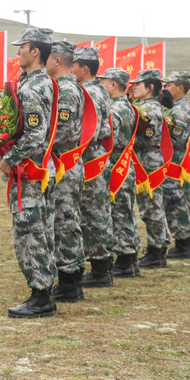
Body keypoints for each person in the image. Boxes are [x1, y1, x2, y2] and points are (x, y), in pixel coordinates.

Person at [0, 28, 58, 319]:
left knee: (30, 232)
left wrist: (9, 157)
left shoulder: (34, 87)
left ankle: (41, 297)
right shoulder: (39, 82)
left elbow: (35, 135)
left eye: (22, 47)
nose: (18, 52)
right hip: (37, 169)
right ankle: (43, 292)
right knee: (37, 230)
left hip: (31, 170)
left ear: (35, 52)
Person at [46, 40, 88, 304]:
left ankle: (70, 282)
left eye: (48, 59)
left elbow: (64, 132)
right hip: (64, 162)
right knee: (64, 220)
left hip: (65, 163)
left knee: (65, 222)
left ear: (57, 60)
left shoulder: (67, 90)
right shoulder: (63, 87)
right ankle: (71, 278)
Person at [73, 47, 115, 288]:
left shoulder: (89, 93)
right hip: (96, 154)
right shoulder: (98, 90)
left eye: (74, 66)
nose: (71, 69)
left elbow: (90, 130)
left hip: (90, 157)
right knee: (97, 211)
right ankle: (102, 266)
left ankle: (100, 269)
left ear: (84, 68)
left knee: (93, 214)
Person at [100, 68, 142, 278]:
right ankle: (131, 258)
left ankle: (125, 260)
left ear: (113, 85)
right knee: (125, 212)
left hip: (117, 165)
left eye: (104, 82)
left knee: (118, 214)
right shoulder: (128, 106)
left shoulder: (115, 109)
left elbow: (110, 138)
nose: (101, 85)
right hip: (125, 164)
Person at [130, 69, 171, 269]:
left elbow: (146, 137)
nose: (134, 87)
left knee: (151, 207)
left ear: (151, 87)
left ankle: (156, 253)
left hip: (147, 160)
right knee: (153, 205)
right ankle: (159, 248)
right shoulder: (147, 106)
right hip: (147, 158)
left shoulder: (149, 110)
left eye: (139, 84)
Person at [161, 71, 190, 259]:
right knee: (180, 204)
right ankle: (184, 243)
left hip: (176, 164)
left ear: (180, 87)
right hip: (177, 163)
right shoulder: (177, 107)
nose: (166, 88)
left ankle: (183, 245)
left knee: (177, 204)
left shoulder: (179, 110)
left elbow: (177, 137)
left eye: (169, 85)